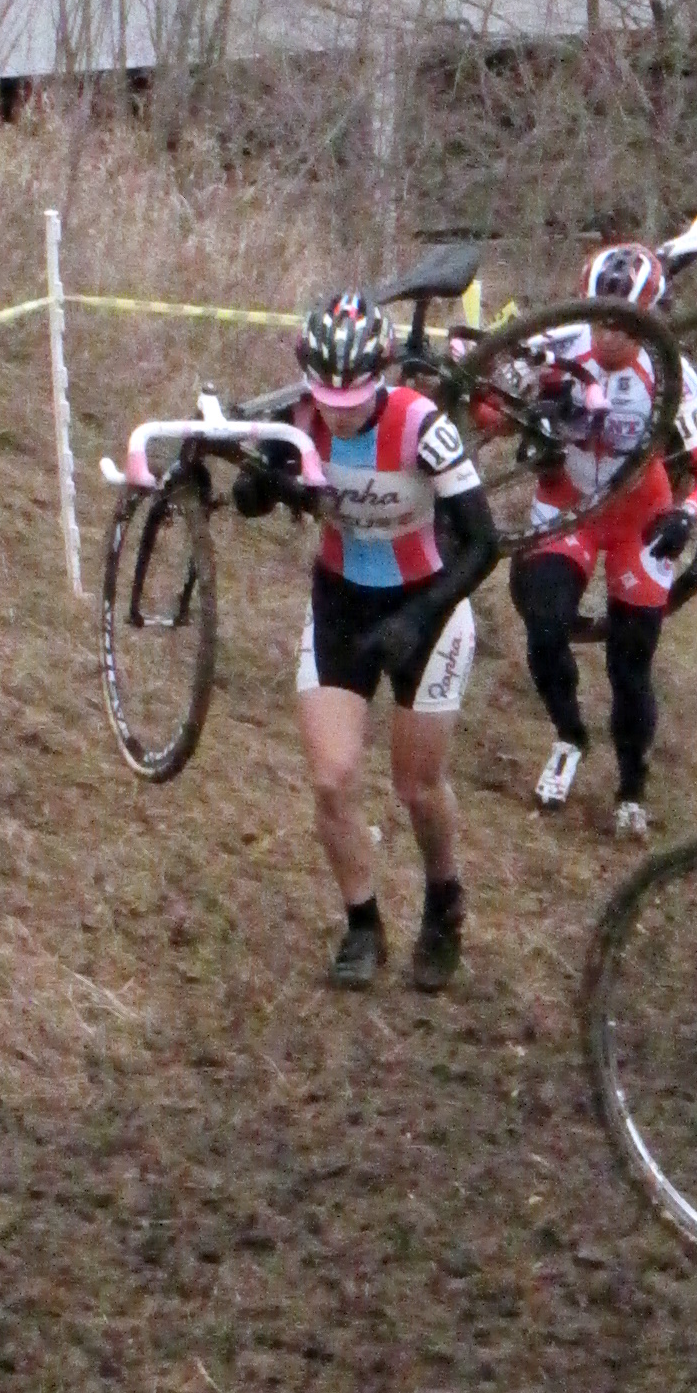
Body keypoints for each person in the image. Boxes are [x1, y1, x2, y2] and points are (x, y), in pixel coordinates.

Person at [241, 291, 499, 990]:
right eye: (326, 394)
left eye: (352, 395)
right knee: (331, 780)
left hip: (429, 606)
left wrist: (420, 620)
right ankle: (363, 925)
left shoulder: (421, 424)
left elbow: (484, 541)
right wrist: (265, 476)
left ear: (381, 374)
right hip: (341, 605)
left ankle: (444, 899)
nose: (339, 409)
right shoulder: (294, 418)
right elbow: (249, 499)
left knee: (416, 786)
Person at [494, 242, 697, 840]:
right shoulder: (555, 346)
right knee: (545, 623)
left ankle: (631, 784)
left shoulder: (666, 369)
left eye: (626, 324)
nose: (610, 336)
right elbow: (490, 416)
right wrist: (519, 403)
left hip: (641, 518)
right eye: (601, 317)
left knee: (630, 663)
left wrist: (687, 512)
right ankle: (569, 735)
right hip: (568, 505)